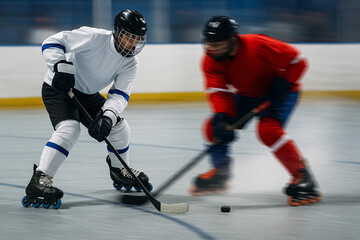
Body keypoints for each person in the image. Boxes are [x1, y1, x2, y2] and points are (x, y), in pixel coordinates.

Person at [21, 9, 152, 209]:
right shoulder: (94, 38)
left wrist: (108, 116)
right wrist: (59, 65)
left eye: (138, 39)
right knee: (70, 129)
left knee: (119, 127)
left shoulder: (130, 62)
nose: (133, 43)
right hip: (58, 89)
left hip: (88, 95)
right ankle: (40, 179)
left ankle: (119, 170)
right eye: (129, 37)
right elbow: (52, 41)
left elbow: (119, 94)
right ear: (117, 32)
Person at [189, 16, 322, 206]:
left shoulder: (258, 44)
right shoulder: (210, 60)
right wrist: (222, 115)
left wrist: (282, 85)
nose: (211, 49)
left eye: (217, 44)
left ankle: (302, 176)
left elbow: (298, 60)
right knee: (214, 127)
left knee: (268, 130)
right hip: (248, 94)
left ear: (232, 40)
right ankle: (221, 173)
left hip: (282, 92)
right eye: (208, 44)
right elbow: (219, 92)